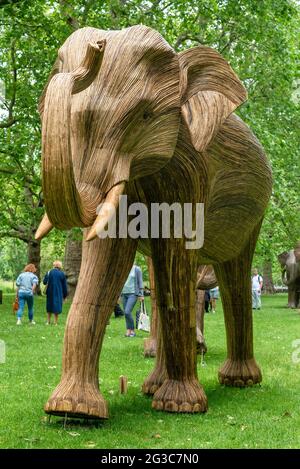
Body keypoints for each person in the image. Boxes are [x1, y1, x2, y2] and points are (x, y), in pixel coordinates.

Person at [121, 264, 144, 337]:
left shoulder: (136, 269)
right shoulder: (123, 268)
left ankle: (132, 330)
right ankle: (128, 329)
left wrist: (141, 294)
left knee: (127, 311)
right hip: (124, 294)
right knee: (126, 313)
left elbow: (140, 282)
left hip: (133, 294)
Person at [43, 260, 68, 325]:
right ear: (60, 266)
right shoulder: (62, 274)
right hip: (59, 292)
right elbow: (64, 286)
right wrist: (65, 296)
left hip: (50, 292)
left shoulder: (49, 272)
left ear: (54, 265)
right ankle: (55, 322)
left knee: (49, 305)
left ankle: (48, 321)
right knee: (57, 306)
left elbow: (44, 282)